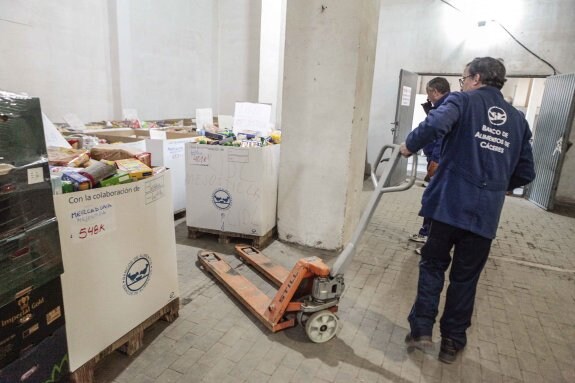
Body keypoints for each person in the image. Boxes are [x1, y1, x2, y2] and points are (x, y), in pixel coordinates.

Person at [399, 57, 535, 364]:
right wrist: (495, 185)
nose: (462, 84)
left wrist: (409, 145)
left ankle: (422, 329)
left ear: (475, 78)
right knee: (465, 279)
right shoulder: (517, 120)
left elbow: (434, 124)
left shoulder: (462, 101)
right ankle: (452, 343)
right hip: (484, 216)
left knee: (433, 265)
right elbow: (526, 173)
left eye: (463, 79)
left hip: (448, 206)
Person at [409, 77, 451, 246]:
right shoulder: (444, 106)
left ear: (435, 91)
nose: (429, 99)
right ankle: (426, 234)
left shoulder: (447, 108)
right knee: (433, 199)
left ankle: (430, 239)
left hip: (440, 162)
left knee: (434, 200)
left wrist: (436, 160)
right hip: (437, 159)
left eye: (429, 94)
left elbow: (441, 136)